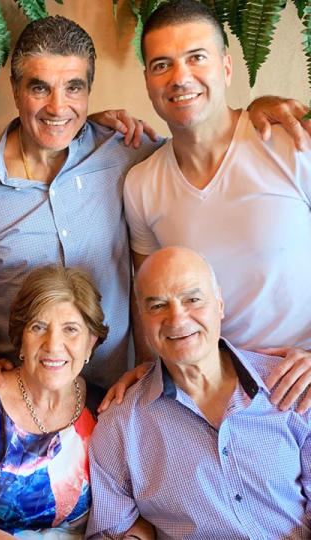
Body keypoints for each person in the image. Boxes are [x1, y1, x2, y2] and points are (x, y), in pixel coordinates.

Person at [0, 15, 311, 396]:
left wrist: (260, 106)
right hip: (21, 389)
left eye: (73, 88)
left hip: (115, 388)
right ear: (16, 88)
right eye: (40, 88)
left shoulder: (125, 152)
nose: (58, 106)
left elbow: (202, 130)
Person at [123, 0, 311, 402]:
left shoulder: (292, 142)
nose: (180, 77)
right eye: (162, 65)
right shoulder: (140, 185)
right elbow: (148, 300)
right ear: (147, 81)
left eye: (197, 57)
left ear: (225, 67)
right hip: (215, 397)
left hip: (303, 382)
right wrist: (146, 378)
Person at [87, 246, 311, 539]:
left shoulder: (293, 384)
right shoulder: (120, 425)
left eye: (193, 299)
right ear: (142, 317)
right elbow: (112, 530)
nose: (177, 319)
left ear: (219, 303)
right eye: (157, 306)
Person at [0, 265, 153, 539]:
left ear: (90, 343)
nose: (53, 344)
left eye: (71, 329)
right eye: (39, 327)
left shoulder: (106, 409)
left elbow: (137, 520)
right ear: (21, 340)